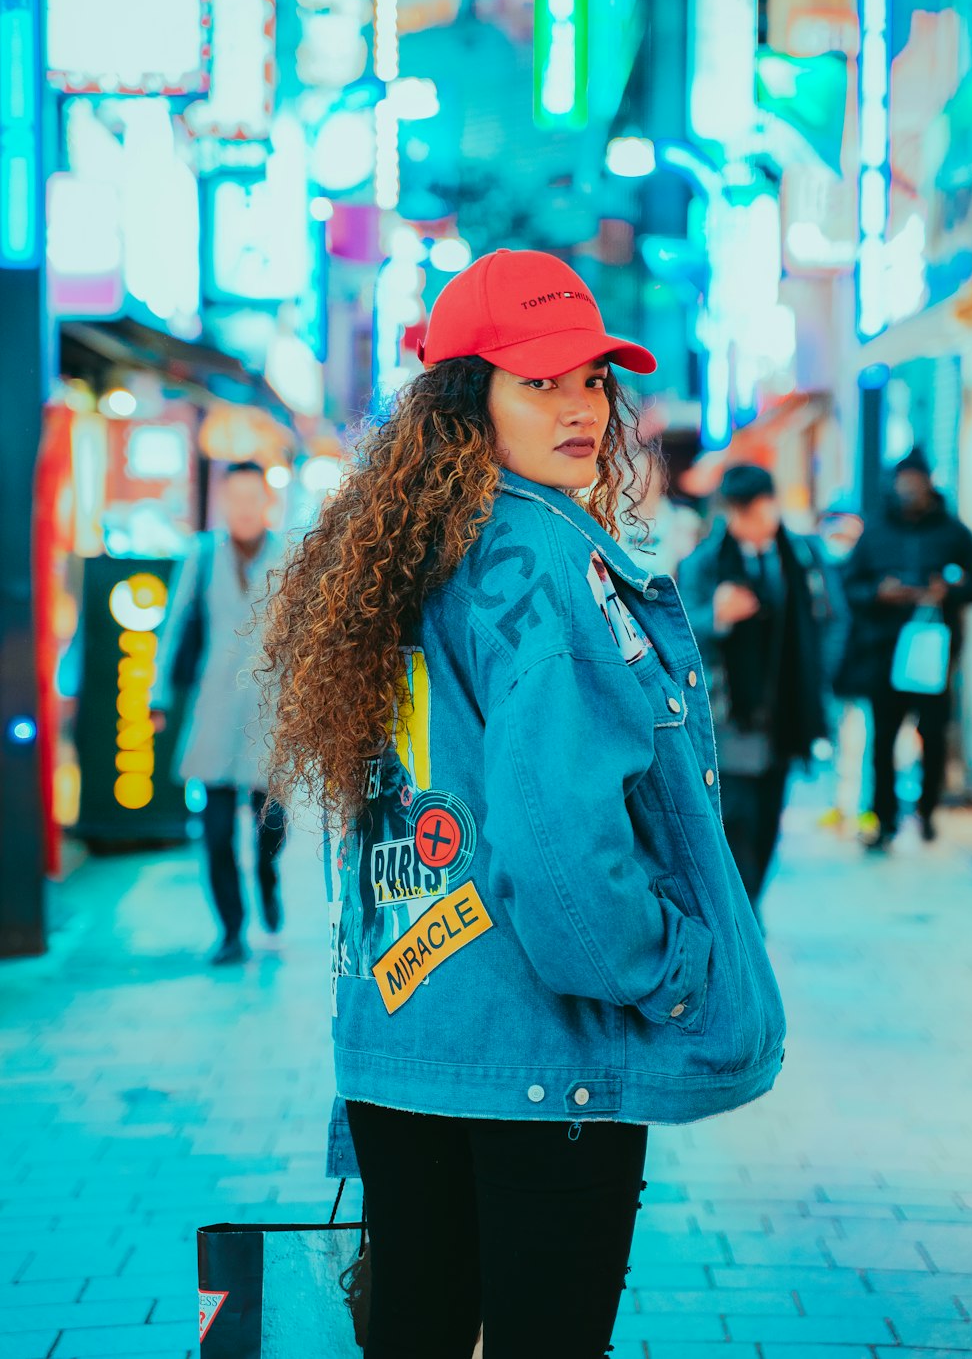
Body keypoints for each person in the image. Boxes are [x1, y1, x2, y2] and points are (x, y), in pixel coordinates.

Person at [262, 249, 785, 1359]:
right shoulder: (545, 558)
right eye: (536, 382)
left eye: (590, 379)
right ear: (465, 402)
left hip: (405, 1034)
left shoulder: (403, 549)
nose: (579, 407)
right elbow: (559, 847)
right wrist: (670, 971)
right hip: (545, 1064)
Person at [677, 465, 842, 918]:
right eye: (747, 512)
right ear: (730, 514)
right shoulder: (704, 563)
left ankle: (750, 906)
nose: (759, 519)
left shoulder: (802, 556)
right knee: (733, 822)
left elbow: (833, 618)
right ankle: (741, 915)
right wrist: (717, 616)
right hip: (728, 718)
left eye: (764, 507)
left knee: (769, 822)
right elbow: (679, 634)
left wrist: (817, 677)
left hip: (787, 718)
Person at [152, 461, 289, 966]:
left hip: (269, 715)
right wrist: (159, 695)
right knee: (213, 832)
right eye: (235, 498)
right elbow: (176, 625)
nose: (244, 508)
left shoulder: (289, 553)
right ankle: (231, 930)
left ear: (265, 502)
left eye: (253, 498)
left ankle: (269, 887)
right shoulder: (203, 554)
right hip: (214, 710)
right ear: (223, 502)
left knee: (271, 827)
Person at [838, 449, 972, 851]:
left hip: (935, 655)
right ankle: (884, 819)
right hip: (883, 652)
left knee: (935, 735)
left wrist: (949, 590)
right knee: (883, 739)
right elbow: (850, 586)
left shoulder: (952, 531)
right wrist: (879, 593)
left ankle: (927, 810)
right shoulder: (876, 531)